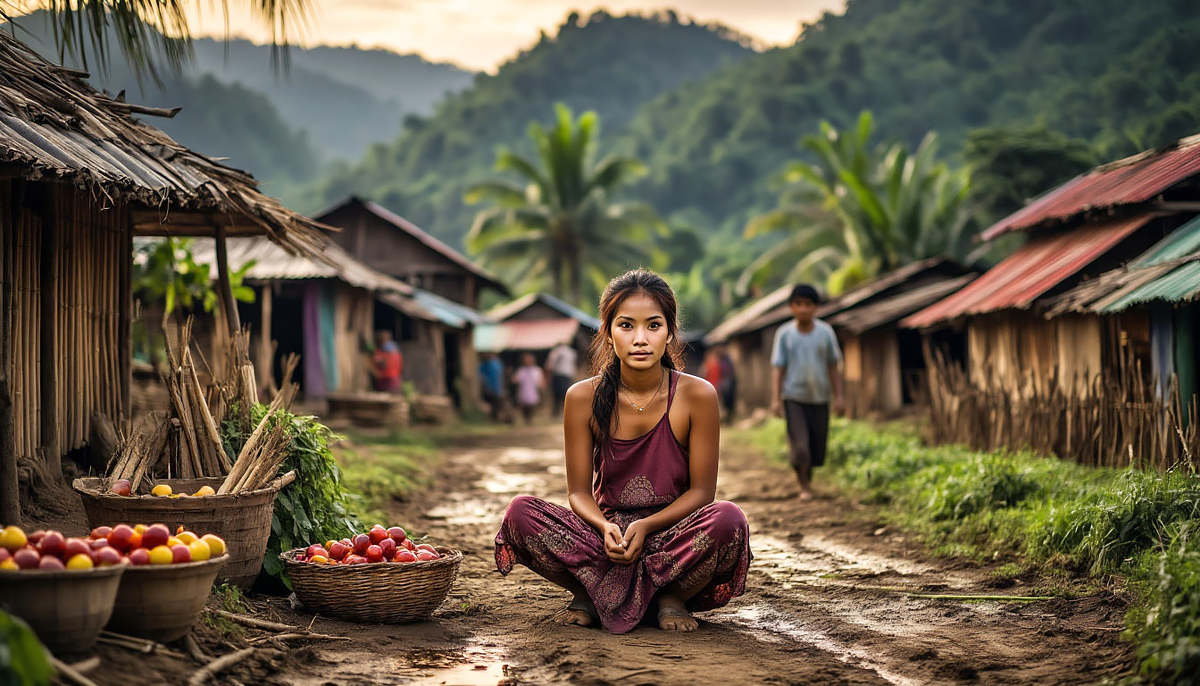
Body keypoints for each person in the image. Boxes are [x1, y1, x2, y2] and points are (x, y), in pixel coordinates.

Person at [495, 269, 751, 634]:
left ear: (670, 332)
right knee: (520, 512)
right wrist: (603, 527)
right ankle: (588, 590)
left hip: (672, 538)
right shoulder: (581, 397)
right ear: (608, 331)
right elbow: (578, 493)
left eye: (654, 325)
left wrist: (647, 526)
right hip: (606, 541)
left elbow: (702, 493)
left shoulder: (697, 395)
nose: (640, 339)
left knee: (729, 519)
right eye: (627, 326)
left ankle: (671, 596)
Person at [770, 284, 844, 501]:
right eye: (798, 304)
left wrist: (839, 396)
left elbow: (833, 365)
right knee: (801, 446)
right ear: (792, 307)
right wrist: (776, 400)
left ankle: (806, 478)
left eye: (808, 304)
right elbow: (778, 368)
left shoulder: (825, 332)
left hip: (820, 397)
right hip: (794, 398)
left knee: (816, 446)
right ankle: (804, 486)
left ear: (816, 307)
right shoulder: (785, 334)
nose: (803, 309)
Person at [545, 342, 579, 418]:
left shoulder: (556, 351)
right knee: (566, 394)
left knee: (557, 395)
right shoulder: (571, 352)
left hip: (559, 375)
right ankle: (566, 412)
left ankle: (556, 413)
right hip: (568, 375)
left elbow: (549, 365)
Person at [513, 352, 546, 424]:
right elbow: (515, 380)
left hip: (533, 391)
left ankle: (530, 419)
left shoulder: (536, 370)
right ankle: (526, 419)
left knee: (532, 405)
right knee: (524, 405)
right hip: (524, 390)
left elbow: (541, 381)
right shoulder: (521, 370)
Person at [479, 352, 507, 422]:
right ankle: (494, 419)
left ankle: (497, 418)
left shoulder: (497, 364)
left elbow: (501, 376)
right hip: (488, 389)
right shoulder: (484, 365)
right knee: (491, 405)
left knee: (498, 405)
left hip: (497, 389)